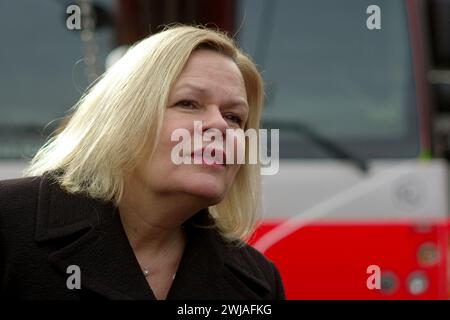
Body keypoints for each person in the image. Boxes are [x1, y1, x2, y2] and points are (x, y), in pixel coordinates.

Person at [0, 25, 285, 300]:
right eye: (188, 103)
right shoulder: (9, 224)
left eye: (234, 117)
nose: (219, 125)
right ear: (122, 118)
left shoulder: (258, 283)